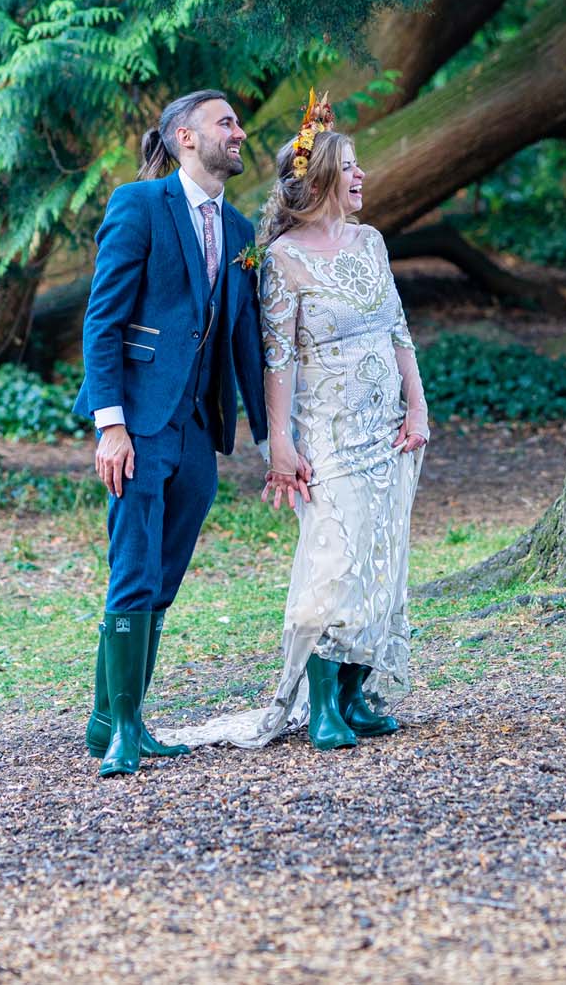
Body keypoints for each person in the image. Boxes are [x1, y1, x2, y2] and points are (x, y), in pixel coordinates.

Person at [160, 94, 430, 752]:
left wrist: (417, 404)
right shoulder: (281, 259)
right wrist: (279, 439)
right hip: (329, 428)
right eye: (350, 166)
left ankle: (352, 692)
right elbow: (276, 357)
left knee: (380, 555)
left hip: (387, 424)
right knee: (334, 559)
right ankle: (319, 701)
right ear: (320, 179)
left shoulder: (370, 242)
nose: (362, 176)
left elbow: (396, 326)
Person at [72, 90, 270, 777]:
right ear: (186, 136)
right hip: (136, 422)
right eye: (227, 122)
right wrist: (111, 426)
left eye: (237, 122)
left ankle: (109, 717)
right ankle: (124, 731)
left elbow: (244, 339)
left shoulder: (241, 230)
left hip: (195, 428)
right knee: (131, 569)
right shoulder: (139, 204)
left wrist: (270, 441)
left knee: (164, 576)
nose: (239, 132)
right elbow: (102, 320)